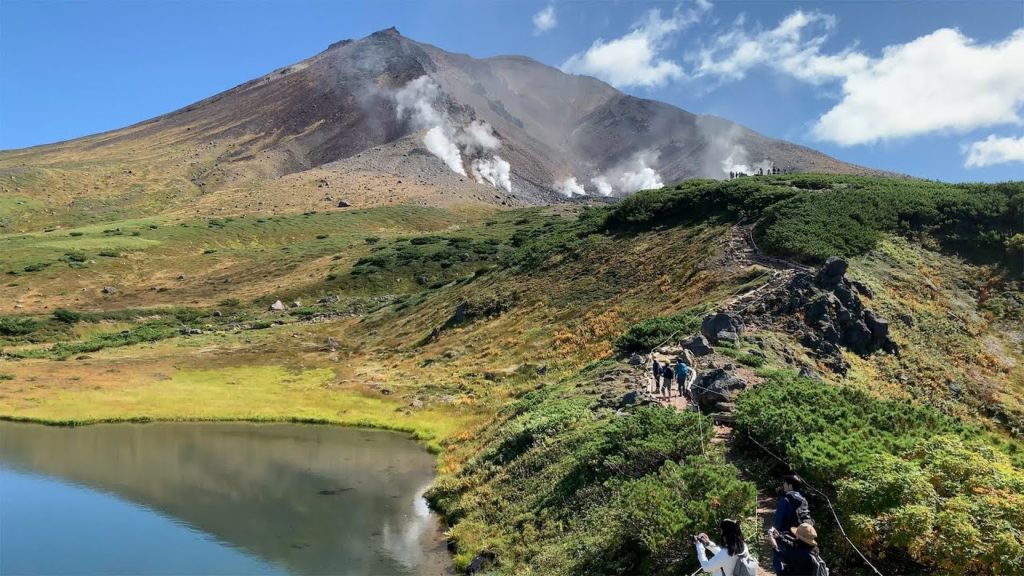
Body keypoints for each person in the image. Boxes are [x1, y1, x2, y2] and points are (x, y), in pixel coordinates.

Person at [770, 474, 812, 573]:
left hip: (785, 537)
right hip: (801, 538)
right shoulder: (803, 500)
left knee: (779, 562)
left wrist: (775, 535)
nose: (783, 485)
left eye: (785, 483)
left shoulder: (785, 499)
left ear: (790, 486)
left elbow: (779, 520)